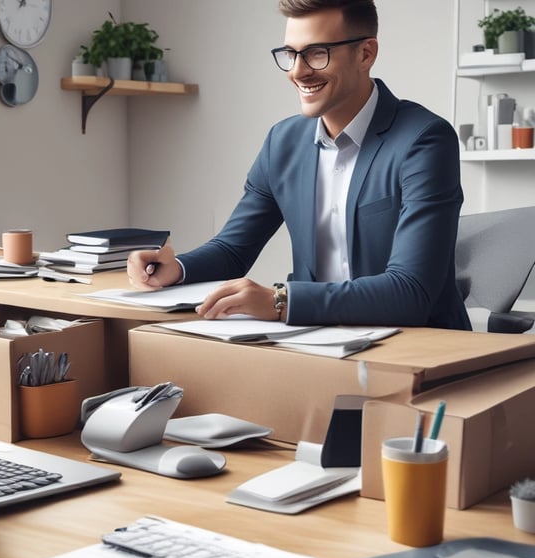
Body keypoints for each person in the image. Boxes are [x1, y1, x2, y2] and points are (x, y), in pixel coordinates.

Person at [127, 0, 471, 331]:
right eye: (291, 53)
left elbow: (410, 292)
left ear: (366, 54)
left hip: (420, 348)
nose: (297, 71)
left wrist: (282, 301)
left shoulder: (424, 140)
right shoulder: (284, 141)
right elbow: (233, 250)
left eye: (317, 53)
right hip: (319, 342)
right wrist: (178, 268)